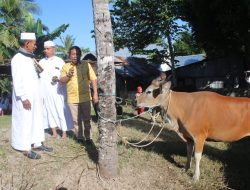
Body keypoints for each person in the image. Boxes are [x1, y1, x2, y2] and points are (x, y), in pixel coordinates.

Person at [11, 32, 52, 159]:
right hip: (25, 98)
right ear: (27, 43)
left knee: (37, 119)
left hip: (35, 96)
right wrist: (23, 98)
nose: (35, 46)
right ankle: (24, 147)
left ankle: (37, 143)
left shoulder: (30, 58)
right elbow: (17, 80)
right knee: (25, 121)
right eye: (34, 44)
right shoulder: (17, 58)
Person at [60, 46, 98, 144]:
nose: (75, 56)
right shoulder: (66, 66)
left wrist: (95, 94)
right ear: (69, 55)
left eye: (77, 54)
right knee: (76, 120)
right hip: (72, 98)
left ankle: (88, 137)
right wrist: (68, 75)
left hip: (85, 97)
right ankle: (80, 137)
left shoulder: (86, 64)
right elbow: (62, 81)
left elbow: (93, 79)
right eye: (73, 54)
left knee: (87, 119)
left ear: (80, 55)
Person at [39, 41, 73, 139]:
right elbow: (40, 76)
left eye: (48, 49)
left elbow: (64, 76)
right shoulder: (41, 62)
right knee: (49, 111)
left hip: (58, 91)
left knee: (60, 111)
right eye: (45, 49)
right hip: (46, 91)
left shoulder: (59, 61)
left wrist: (57, 79)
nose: (46, 51)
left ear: (54, 49)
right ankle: (53, 132)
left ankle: (64, 132)